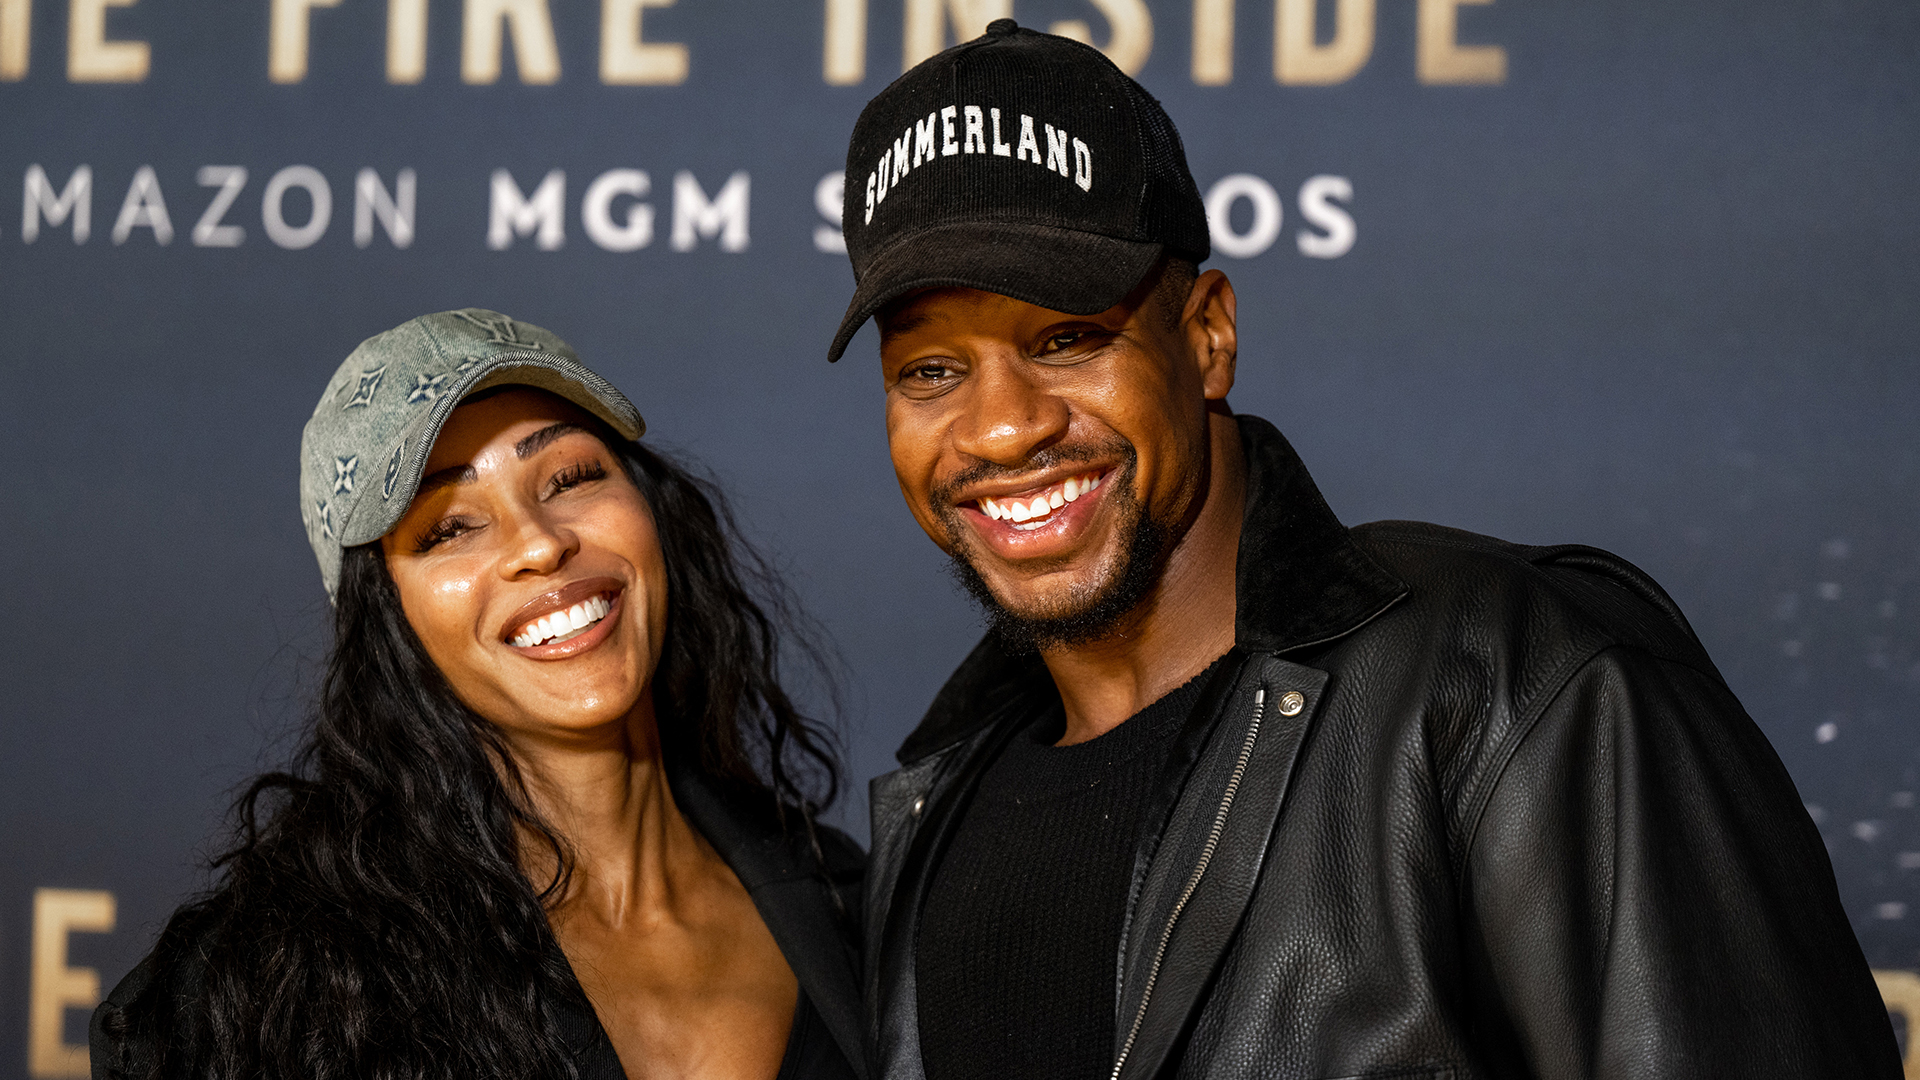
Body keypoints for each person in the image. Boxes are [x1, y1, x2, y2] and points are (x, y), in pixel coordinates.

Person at [828, 20, 1900, 1080]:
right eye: (930, 371)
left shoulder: (1520, 687)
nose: (1004, 427)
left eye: (1068, 340)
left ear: (1207, 336)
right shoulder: (935, 809)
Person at [91, 310, 867, 1080]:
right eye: (449, 528)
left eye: (570, 477)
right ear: (388, 620)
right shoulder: (273, 992)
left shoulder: (855, 908)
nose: (538, 543)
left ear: (651, 510)